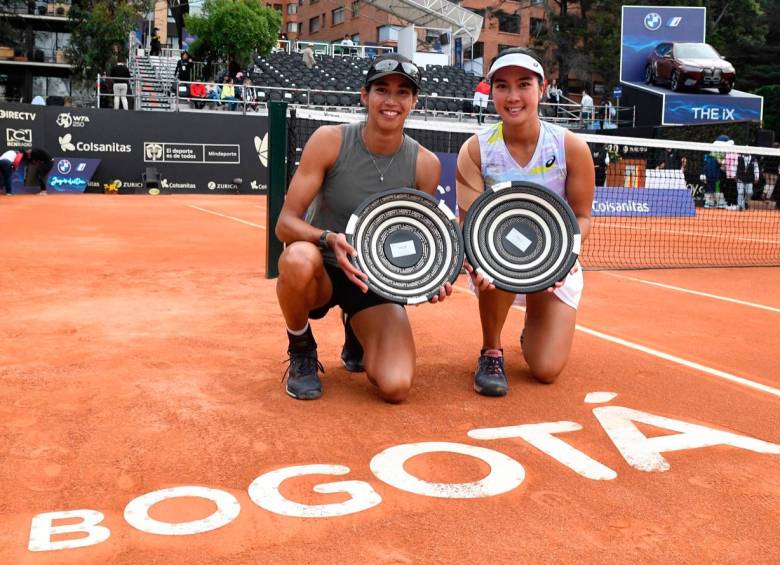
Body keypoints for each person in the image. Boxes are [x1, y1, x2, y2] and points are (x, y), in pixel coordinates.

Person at [274, 53, 445, 402]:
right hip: (321, 268)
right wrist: (328, 238)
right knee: (296, 259)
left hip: (373, 281)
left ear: (414, 101)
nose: (391, 101)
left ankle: (356, 327)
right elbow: (285, 224)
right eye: (382, 90)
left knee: (396, 386)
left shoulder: (425, 165)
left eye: (402, 92)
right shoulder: (329, 140)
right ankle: (302, 348)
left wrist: (431, 277)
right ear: (364, 96)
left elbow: (418, 239)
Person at [456, 47, 595, 396]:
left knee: (545, 370)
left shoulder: (571, 147)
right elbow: (468, 224)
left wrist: (565, 259)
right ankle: (491, 350)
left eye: (523, 84)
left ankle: (534, 326)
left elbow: (582, 215)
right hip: (497, 258)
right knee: (491, 257)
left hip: (553, 260)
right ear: (492, 92)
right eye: (502, 86)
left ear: (542, 88)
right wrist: (475, 260)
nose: (513, 96)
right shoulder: (475, 149)